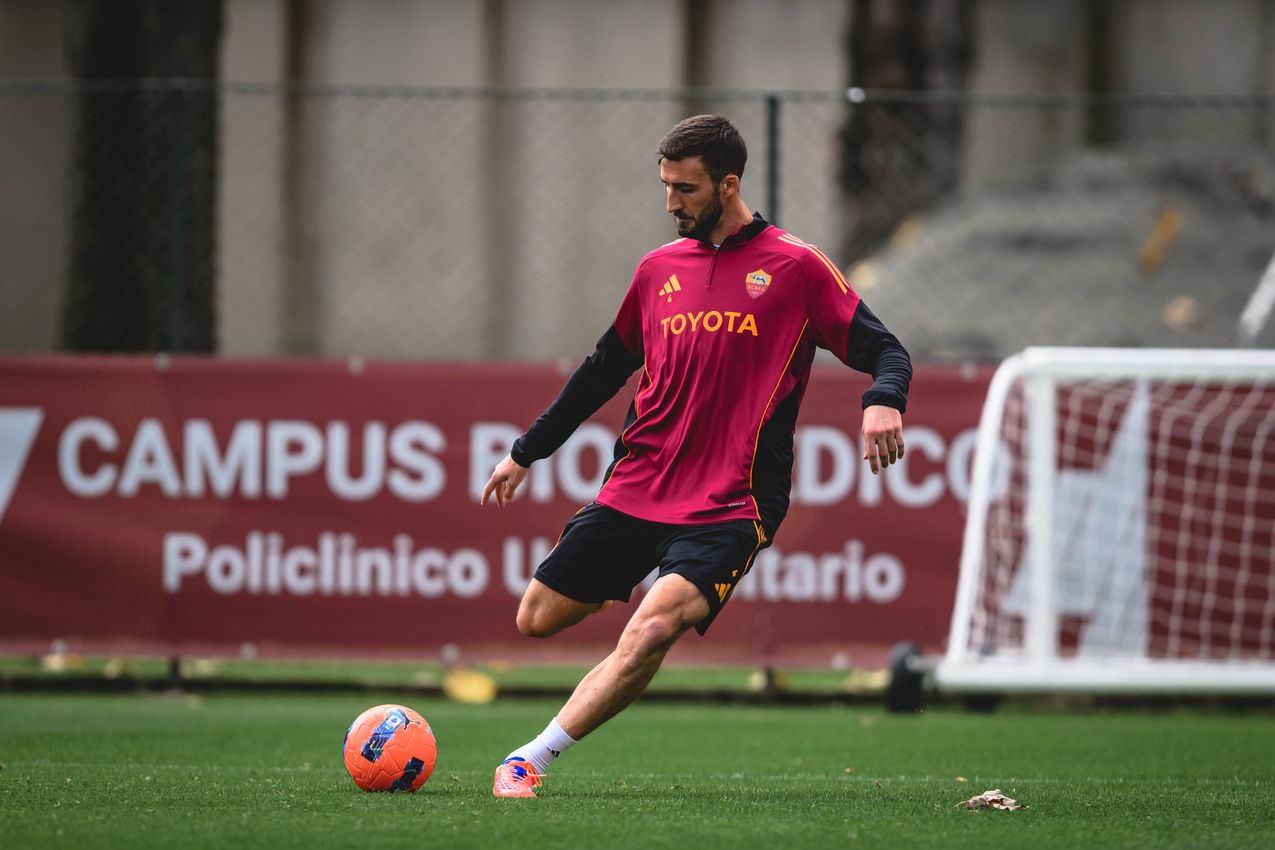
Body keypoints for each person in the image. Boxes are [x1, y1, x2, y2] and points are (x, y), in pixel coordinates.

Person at [480, 114, 911, 798]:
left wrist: (883, 399)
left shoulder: (795, 266)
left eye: (684, 189)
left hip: (732, 500)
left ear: (728, 185)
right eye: (665, 186)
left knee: (653, 625)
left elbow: (886, 349)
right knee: (536, 618)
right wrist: (526, 452)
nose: (670, 203)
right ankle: (628, 596)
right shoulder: (658, 269)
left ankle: (529, 759)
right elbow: (602, 369)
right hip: (640, 483)